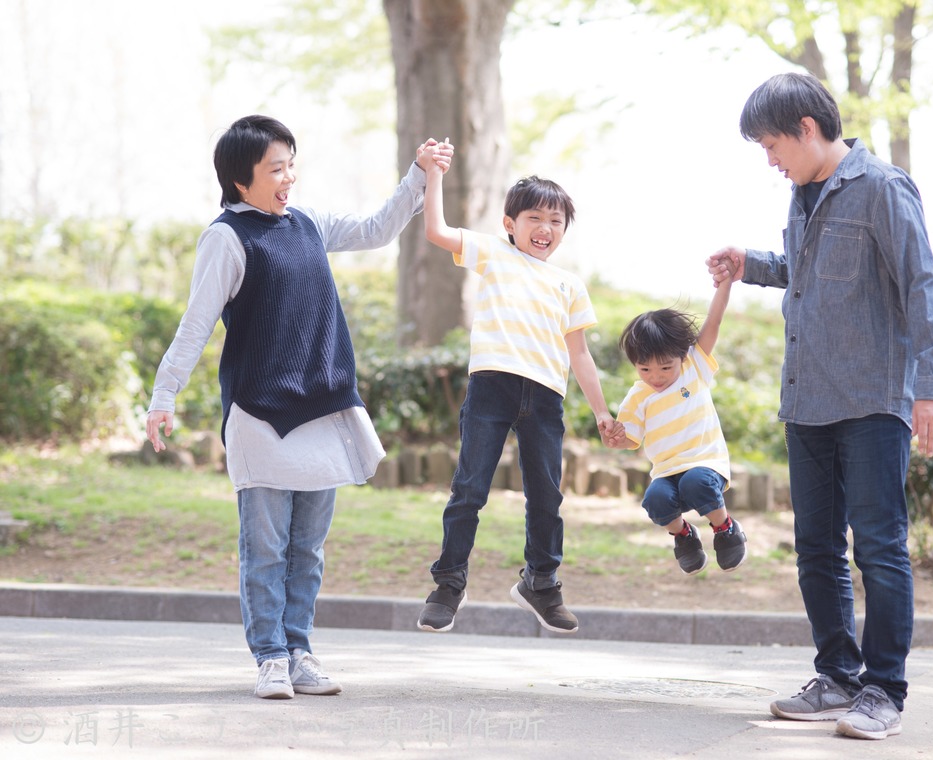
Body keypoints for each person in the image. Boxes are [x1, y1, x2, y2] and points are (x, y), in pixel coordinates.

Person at [145, 114, 453, 700]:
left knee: (307, 549)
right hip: (260, 414)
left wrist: (418, 175)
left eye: (291, 165)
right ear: (241, 180)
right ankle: (269, 657)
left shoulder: (308, 222)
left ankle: (300, 649)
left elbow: (376, 229)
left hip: (322, 406)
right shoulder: (226, 238)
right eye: (275, 169)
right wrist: (165, 395)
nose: (289, 178)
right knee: (265, 549)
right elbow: (196, 325)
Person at [707, 73, 933, 741]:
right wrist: (752, 263)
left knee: (878, 547)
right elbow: (806, 267)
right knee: (816, 547)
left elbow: (923, 287)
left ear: (809, 130)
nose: (770, 160)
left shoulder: (883, 188)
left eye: (771, 145)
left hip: (874, 399)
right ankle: (837, 675)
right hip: (808, 398)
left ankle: (883, 691)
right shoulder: (803, 193)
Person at [416, 146, 616, 636]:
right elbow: (437, 231)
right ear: (511, 223)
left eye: (555, 220)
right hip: (492, 387)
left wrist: (603, 414)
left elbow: (580, 355)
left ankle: (541, 582)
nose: (545, 228)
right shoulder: (494, 253)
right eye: (534, 217)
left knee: (547, 496)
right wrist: (433, 174)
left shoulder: (570, 285)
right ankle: (448, 584)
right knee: (469, 490)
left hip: (545, 398)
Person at [603, 272, 747, 575]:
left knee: (696, 483)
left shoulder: (694, 367)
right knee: (654, 499)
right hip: (667, 473)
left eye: (665, 367)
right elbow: (632, 439)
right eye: (645, 369)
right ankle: (683, 536)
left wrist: (725, 284)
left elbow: (714, 321)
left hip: (705, 464)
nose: (656, 377)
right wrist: (617, 439)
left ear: (681, 357)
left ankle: (725, 528)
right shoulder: (638, 396)